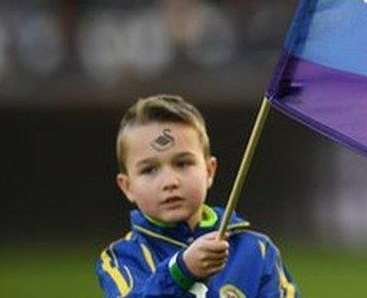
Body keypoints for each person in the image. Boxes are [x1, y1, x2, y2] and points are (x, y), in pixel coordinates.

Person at [96, 94, 299, 297]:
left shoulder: (257, 251)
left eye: (183, 163)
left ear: (209, 171)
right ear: (127, 187)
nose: (170, 182)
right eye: (149, 170)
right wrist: (181, 272)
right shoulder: (121, 259)